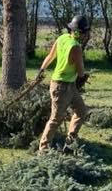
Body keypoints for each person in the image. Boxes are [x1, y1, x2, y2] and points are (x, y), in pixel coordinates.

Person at [37, 14, 91, 151]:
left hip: (68, 86)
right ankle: (43, 150)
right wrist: (84, 75)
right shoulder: (76, 48)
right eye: (85, 32)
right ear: (79, 32)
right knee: (55, 119)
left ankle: (70, 142)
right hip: (62, 87)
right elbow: (80, 72)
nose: (86, 35)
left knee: (81, 111)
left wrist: (42, 69)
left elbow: (50, 56)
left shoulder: (62, 38)